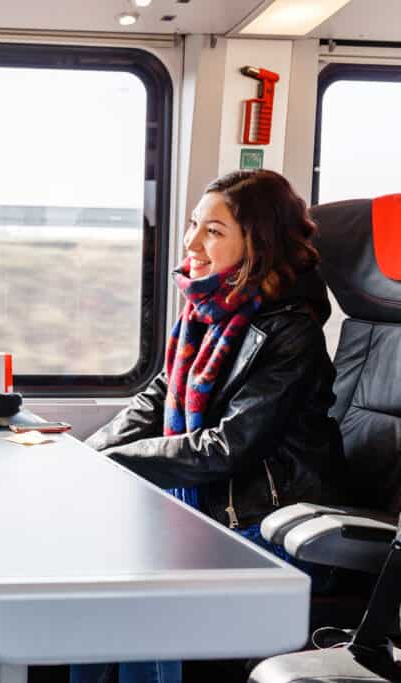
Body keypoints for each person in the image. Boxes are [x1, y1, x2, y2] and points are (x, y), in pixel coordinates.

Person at [71, 169, 346, 683]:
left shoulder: (292, 332)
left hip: (271, 524)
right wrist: (86, 453)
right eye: (194, 225)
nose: (191, 241)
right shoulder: (206, 311)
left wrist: (107, 465)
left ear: (257, 243)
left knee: (144, 599)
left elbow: (228, 448)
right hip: (209, 507)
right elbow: (157, 398)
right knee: (92, 578)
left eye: (213, 231)